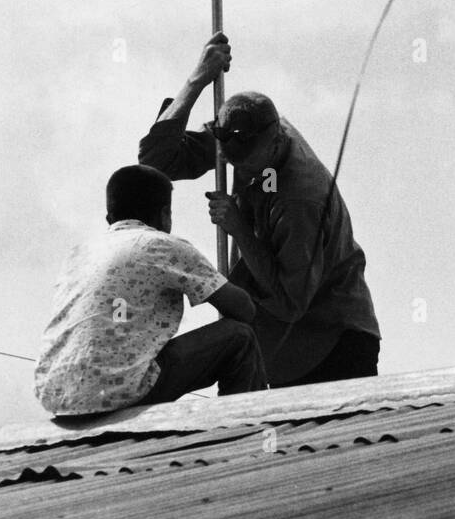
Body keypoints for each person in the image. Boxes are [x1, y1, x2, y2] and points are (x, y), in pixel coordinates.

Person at [138, 33, 381, 388]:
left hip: (330, 345)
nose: (244, 173)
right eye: (234, 163)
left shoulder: (300, 199)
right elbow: (156, 160)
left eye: (250, 166)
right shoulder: (241, 135)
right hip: (280, 349)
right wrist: (198, 79)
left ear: (276, 142)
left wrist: (239, 229)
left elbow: (288, 303)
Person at [35, 163, 265, 419]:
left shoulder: (78, 255)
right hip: (120, 392)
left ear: (110, 219)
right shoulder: (162, 245)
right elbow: (243, 309)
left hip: (57, 396)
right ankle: (242, 425)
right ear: (165, 214)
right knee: (239, 337)